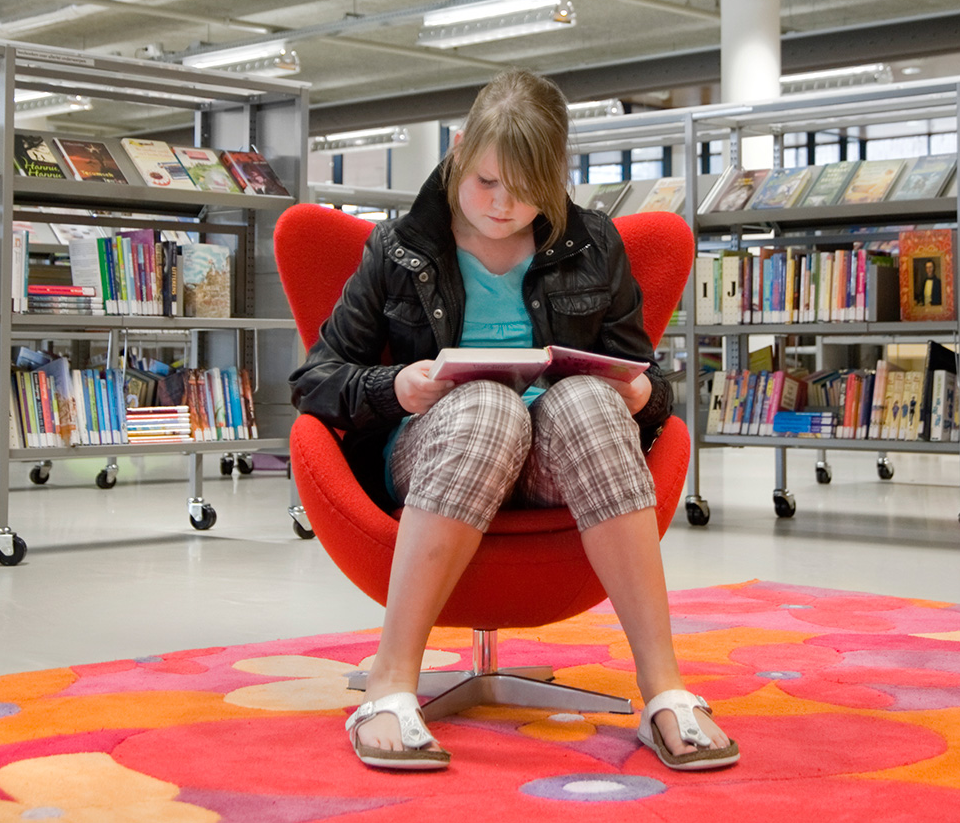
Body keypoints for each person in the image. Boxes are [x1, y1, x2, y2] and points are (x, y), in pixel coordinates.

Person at [290, 69, 738, 773]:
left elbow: (650, 382)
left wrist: (639, 395)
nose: (503, 206)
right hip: (438, 448)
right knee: (490, 407)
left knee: (590, 401)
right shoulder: (398, 248)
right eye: (487, 182)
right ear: (460, 151)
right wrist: (396, 385)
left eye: (528, 189)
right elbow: (315, 380)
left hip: (563, 456)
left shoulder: (594, 244)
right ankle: (390, 684)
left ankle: (664, 691)